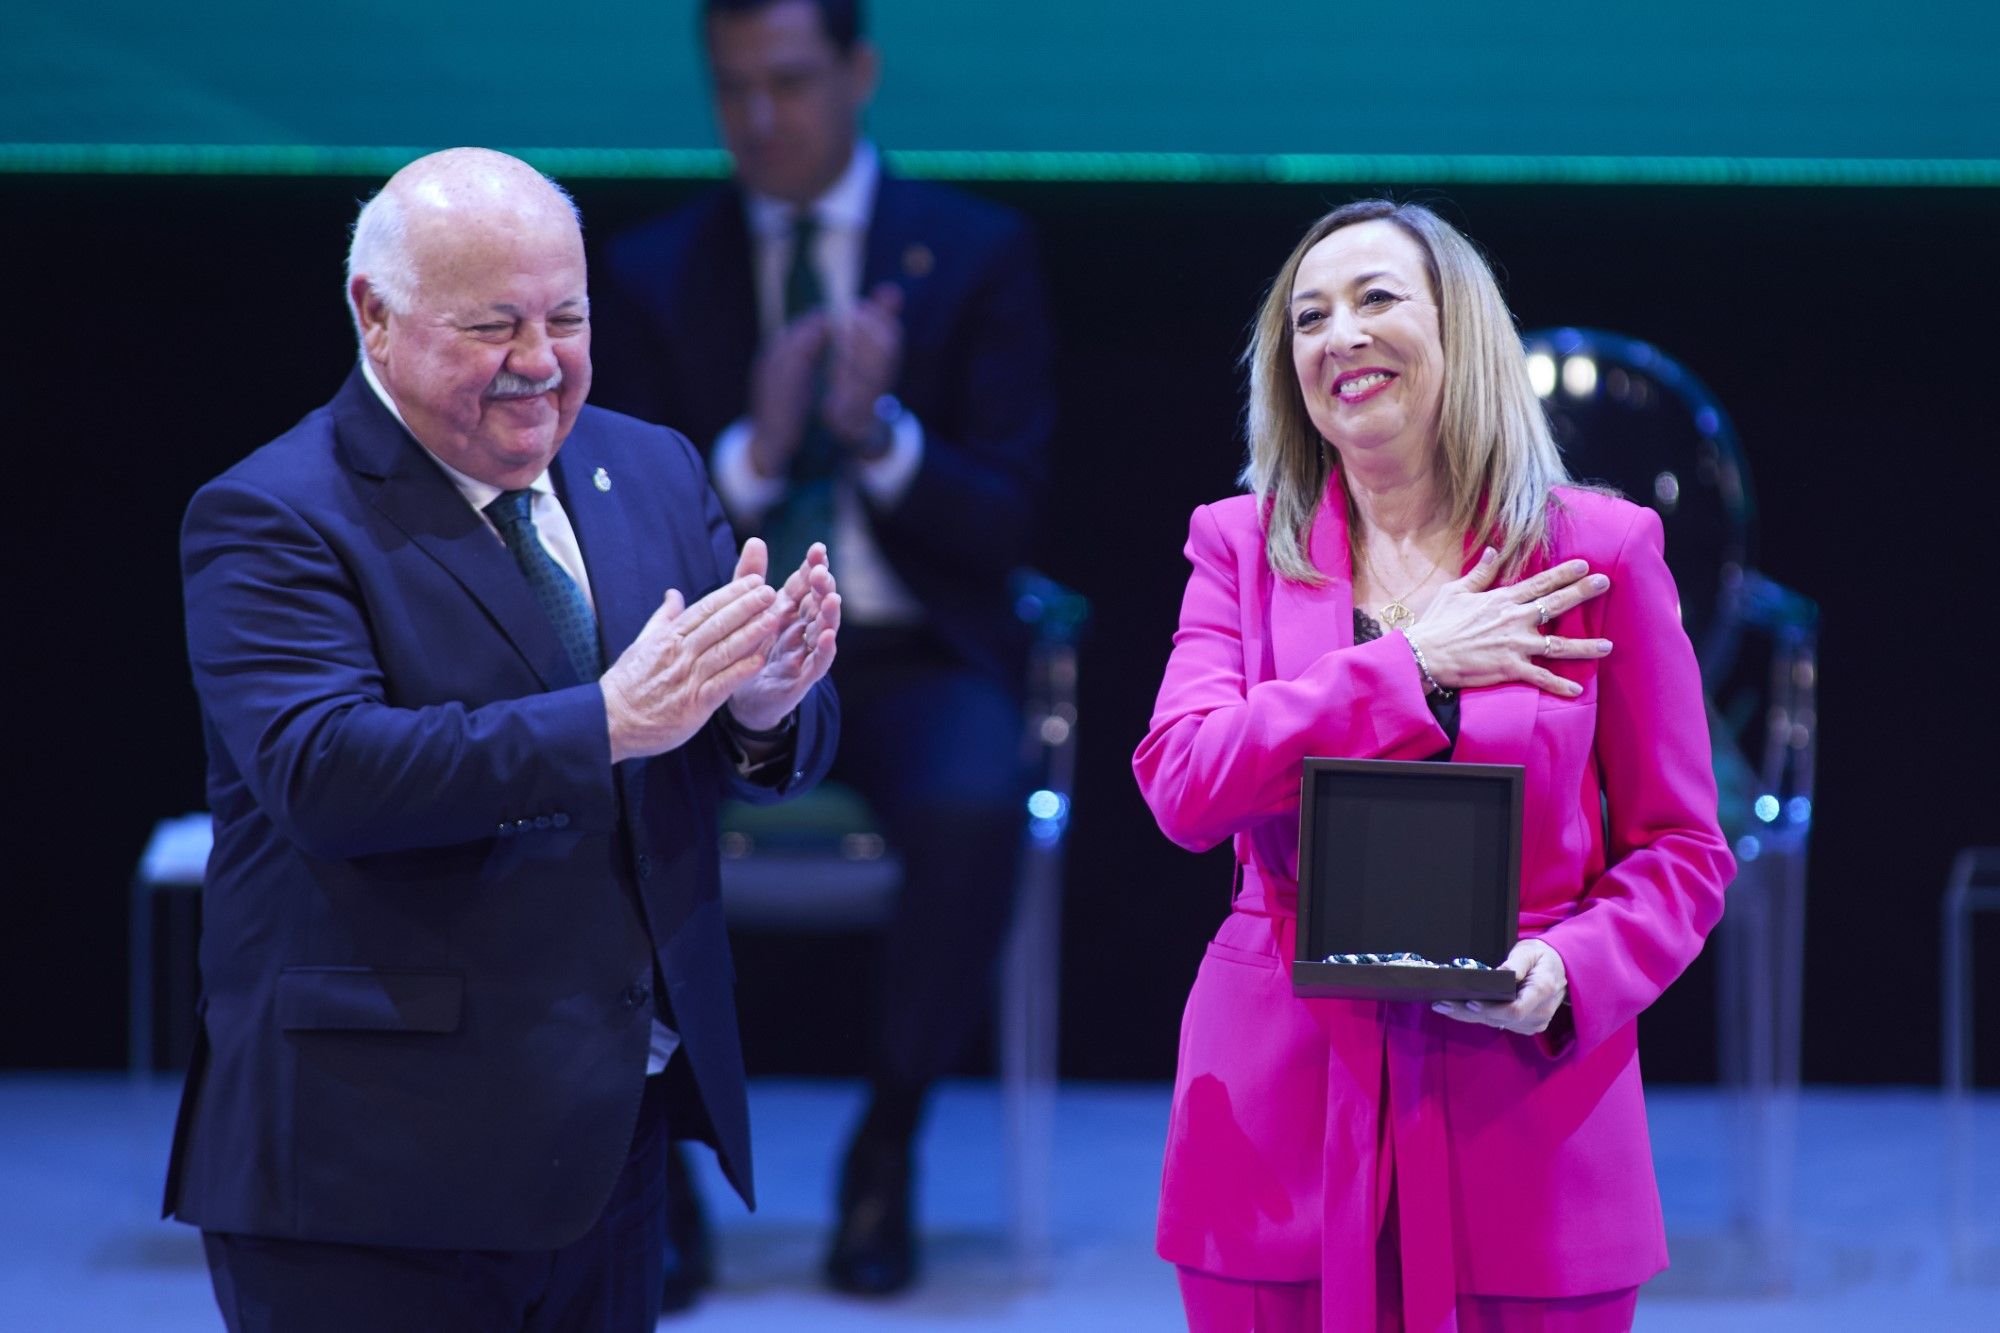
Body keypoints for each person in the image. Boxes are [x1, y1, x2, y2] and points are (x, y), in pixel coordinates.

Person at [165, 147, 842, 1333]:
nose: (540, 362)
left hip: (606, 1143)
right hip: (370, 1160)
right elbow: (325, 771)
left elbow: (703, 723)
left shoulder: (647, 463)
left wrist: (762, 705)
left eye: (567, 317)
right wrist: (611, 721)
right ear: (373, 316)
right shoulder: (270, 513)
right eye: (492, 326)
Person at [1132, 200, 1735, 1331]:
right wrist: (1407, 665)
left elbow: (1682, 850)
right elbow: (1183, 784)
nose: (1337, 336)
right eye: (1307, 318)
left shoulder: (1595, 552)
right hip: (1277, 1115)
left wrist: (1564, 972)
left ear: (1457, 332)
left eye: (1373, 301)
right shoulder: (1236, 548)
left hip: (1525, 1111)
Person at [590, 0, 1056, 1300]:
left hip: (909, 646)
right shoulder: (651, 270)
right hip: (713, 649)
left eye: (789, 83)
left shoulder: (975, 253)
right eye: (732, 87)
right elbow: (616, 522)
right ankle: (661, 1176)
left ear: (858, 74)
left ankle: (887, 1145)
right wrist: (753, 445)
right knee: (609, 794)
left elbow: (1013, 515)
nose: (758, 118)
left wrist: (880, 434)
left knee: (978, 802)